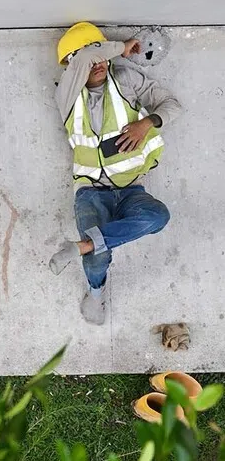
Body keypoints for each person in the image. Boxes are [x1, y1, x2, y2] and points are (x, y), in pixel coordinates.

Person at [48, 22, 180, 324]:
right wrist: (123, 46)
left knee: (158, 216)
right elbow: (83, 59)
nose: (98, 63)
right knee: (98, 260)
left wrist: (147, 123)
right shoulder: (68, 94)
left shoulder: (125, 79)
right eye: (91, 57)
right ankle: (96, 292)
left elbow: (173, 105)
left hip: (132, 190)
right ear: (72, 63)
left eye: (102, 57)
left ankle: (83, 245)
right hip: (90, 193)